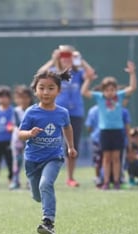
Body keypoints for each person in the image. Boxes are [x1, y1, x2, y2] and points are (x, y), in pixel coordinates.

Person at [18, 70, 77, 234]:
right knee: (38, 196)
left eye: (51, 88)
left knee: (46, 184)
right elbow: (20, 133)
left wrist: (70, 147)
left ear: (58, 91)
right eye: (41, 88)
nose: (46, 92)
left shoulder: (62, 113)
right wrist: (30, 133)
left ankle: (48, 222)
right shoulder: (31, 112)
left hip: (53, 158)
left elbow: (67, 127)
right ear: (35, 90)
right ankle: (44, 205)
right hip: (32, 160)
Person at [38, 45, 95, 187]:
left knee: (72, 146)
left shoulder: (78, 72)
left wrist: (80, 60)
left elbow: (91, 74)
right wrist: (53, 60)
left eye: (69, 56)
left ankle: (70, 177)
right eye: (63, 56)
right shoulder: (53, 73)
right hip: (54, 112)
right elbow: (40, 73)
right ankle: (44, 176)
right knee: (47, 143)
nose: (66, 59)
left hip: (75, 113)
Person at [81, 61, 137, 190]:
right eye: (107, 90)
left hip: (118, 131)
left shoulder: (120, 96)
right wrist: (88, 79)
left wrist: (132, 73)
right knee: (106, 158)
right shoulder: (100, 97)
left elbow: (132, 87)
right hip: (104, 131)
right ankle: (106, 182)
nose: (110, 92)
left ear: (116, 90)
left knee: (116, 158)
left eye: (112, 89)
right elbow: (84, 92)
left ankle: (117, 181)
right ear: (103, 90)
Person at [10, 85, 34, 190]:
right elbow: (17, 124)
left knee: (30, 161)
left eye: (25, 97)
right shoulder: (15, 111)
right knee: (17, 160)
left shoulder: (33, 110)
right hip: (18, 140)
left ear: (30, 98)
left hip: (31, 140)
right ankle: (15, 181)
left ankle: (30, 182)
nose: (23, 100)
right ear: (15, 99)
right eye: (20, 97)